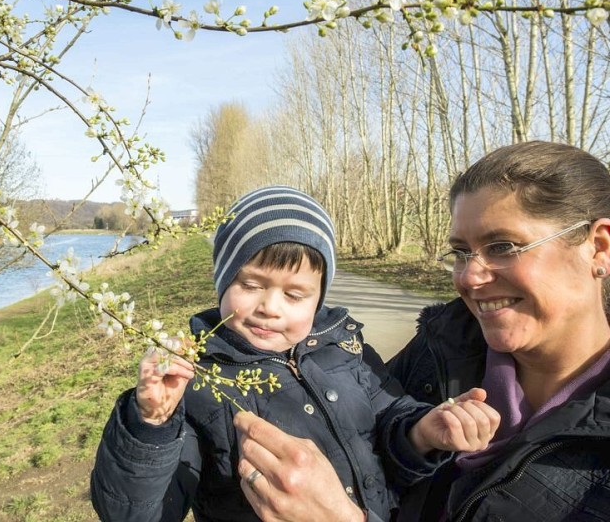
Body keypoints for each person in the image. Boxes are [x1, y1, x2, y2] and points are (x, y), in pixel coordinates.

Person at [233, 141, 610, 521]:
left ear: (599, 248)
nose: (470, 276)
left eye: (503, 246)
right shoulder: (441, 347)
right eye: (461, 252)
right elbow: (365, 445)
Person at [90, 185, 499, 522]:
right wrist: (150, 424)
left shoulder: (347, 350)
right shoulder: (198, 382)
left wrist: (424, 432)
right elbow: (132, 514)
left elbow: (390, 423)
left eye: (294, 294)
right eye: (250, 285)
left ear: (318, 299)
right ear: (222, 282)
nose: (270, 306)